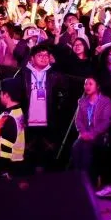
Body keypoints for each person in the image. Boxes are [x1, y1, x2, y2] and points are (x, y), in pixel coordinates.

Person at [19, 43, 64, 171]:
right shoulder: (24, 74)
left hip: (48, 120)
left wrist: (58, 109)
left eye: (46, 55)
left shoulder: (55, 75)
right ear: (32, 58)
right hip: (29, 120)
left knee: (47, 155)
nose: (44, 58)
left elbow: (63, 94)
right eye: (40, 55)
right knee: (28, 155)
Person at [71, 76, 111, 185]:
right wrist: (83, 132)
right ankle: (78, 178)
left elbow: (106, 121)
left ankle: (88, 181)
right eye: (85, 84)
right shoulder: (82, 101)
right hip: (85, 134)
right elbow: (78, 120)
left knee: (86, 149)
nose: (87, 86)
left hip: (99, 134)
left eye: (90, 84)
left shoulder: (105, 101)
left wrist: (93, 133)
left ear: (97, 86)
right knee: (75, 147)